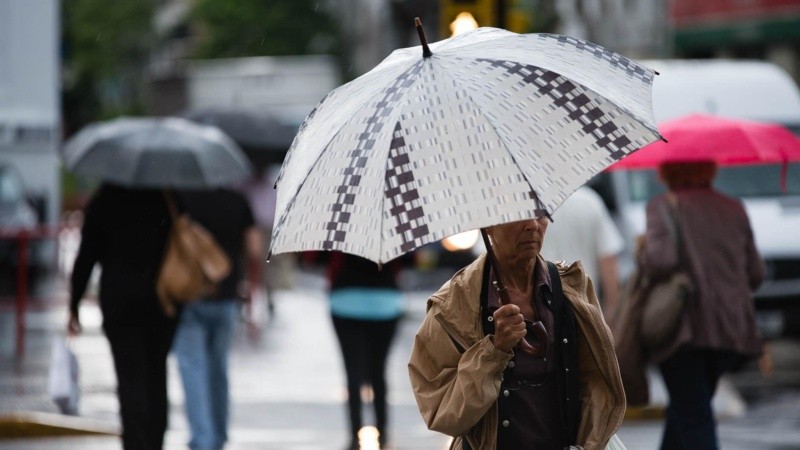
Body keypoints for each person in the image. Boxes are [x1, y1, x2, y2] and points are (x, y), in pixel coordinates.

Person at [408, 217, 625, 450]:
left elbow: (596, 386)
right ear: (488, 225)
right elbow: (444, 412)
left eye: (540, 214)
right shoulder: (451, 307)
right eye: (518, 217)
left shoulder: (571, 287)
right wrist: (494, 351)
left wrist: (588, 444)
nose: (533, 225)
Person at [638, 161, 765, 450]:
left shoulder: (663, 206)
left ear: (666, 171)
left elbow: (662, 262)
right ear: (710, 170)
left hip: (684, 330)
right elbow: (756, 273)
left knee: (693, 414)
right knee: (688, 407)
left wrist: (644, 250)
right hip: (732, 330)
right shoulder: (734, 208)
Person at [68, 183, 176, 450]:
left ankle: (136, 443)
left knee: (130, 377)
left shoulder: (105, 198)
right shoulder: (165, 196)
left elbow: (86, 256)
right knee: (156, 374)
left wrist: (74, 304)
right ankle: (155, 441)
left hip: (119, 301)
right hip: (161, 301)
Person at [172, 188, 262, 450]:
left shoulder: (181, 198)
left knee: (192, 368)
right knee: (218, 369)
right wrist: (252, 294)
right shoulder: (238, 200)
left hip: (188, 295)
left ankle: (202, 439)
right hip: (226, 297)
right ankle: (219, 437)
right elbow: (254, 249)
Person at [326, 252, 407, 450]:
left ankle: (354, 436)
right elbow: (408, 260)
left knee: (353, 372)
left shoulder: (342, 225)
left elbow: (318, 258)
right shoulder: (393, 224)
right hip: (385, 303)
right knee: (378, 371)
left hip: (345, 301)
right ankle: (384, 434)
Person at [541, 185, 624, 314]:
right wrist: (611, 310)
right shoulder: (590, 200)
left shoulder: (532, 206)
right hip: (587, 307)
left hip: (545, 306)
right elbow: (608, 260)